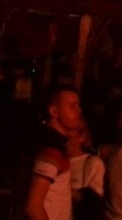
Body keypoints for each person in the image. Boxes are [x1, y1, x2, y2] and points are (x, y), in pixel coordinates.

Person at [24, 88, 83, 220]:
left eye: (79, 105)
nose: (79, 110)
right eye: (72, 106)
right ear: (54, 111)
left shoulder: (54, 145)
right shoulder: (51, 152)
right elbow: (33, 207)